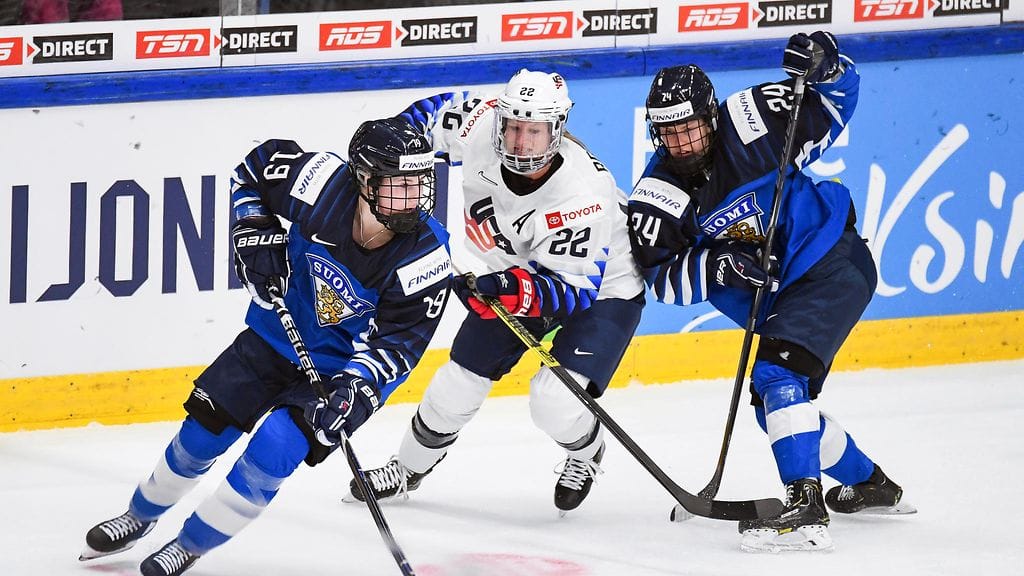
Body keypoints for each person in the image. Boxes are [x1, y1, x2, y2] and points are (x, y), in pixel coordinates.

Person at [79, 117, 453, 576]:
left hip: (341, 374)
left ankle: (192, 543)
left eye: (420, 183)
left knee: (275, 447)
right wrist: (252, 227)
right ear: (363, 179)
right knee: (202, 433)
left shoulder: (427, 258)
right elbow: (252, 170)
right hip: (273, 335)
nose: (413, 198)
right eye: (399, 184)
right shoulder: (318, 184)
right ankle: (140, 515)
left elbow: (399, 346)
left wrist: (355, 389)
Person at [626, 32, 913, 552]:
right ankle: (872, 484)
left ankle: (805, 508)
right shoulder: (658, 195)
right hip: (782, 299)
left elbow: (836, 99)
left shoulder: (754, 117)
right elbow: (660, 278)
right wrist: (719, 266)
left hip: (829, 261)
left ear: (711, 117)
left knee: (777, 376)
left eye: (690, 129)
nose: (681, 144)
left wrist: (826, 65)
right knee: (775, 405)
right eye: (669, 134)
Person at [350, 69, 645, 515]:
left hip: (602, 286)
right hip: (519, 271)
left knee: (553, 401)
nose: (520, 142)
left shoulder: (584, 194)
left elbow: (572, 293)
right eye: (514, 127)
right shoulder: (480, 123)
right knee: (457, 380)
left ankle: (586, 453)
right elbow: (421, 122)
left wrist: (506, 287)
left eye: (534, 131)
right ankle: (408, 468)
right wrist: (390, 148)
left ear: (557, 130)